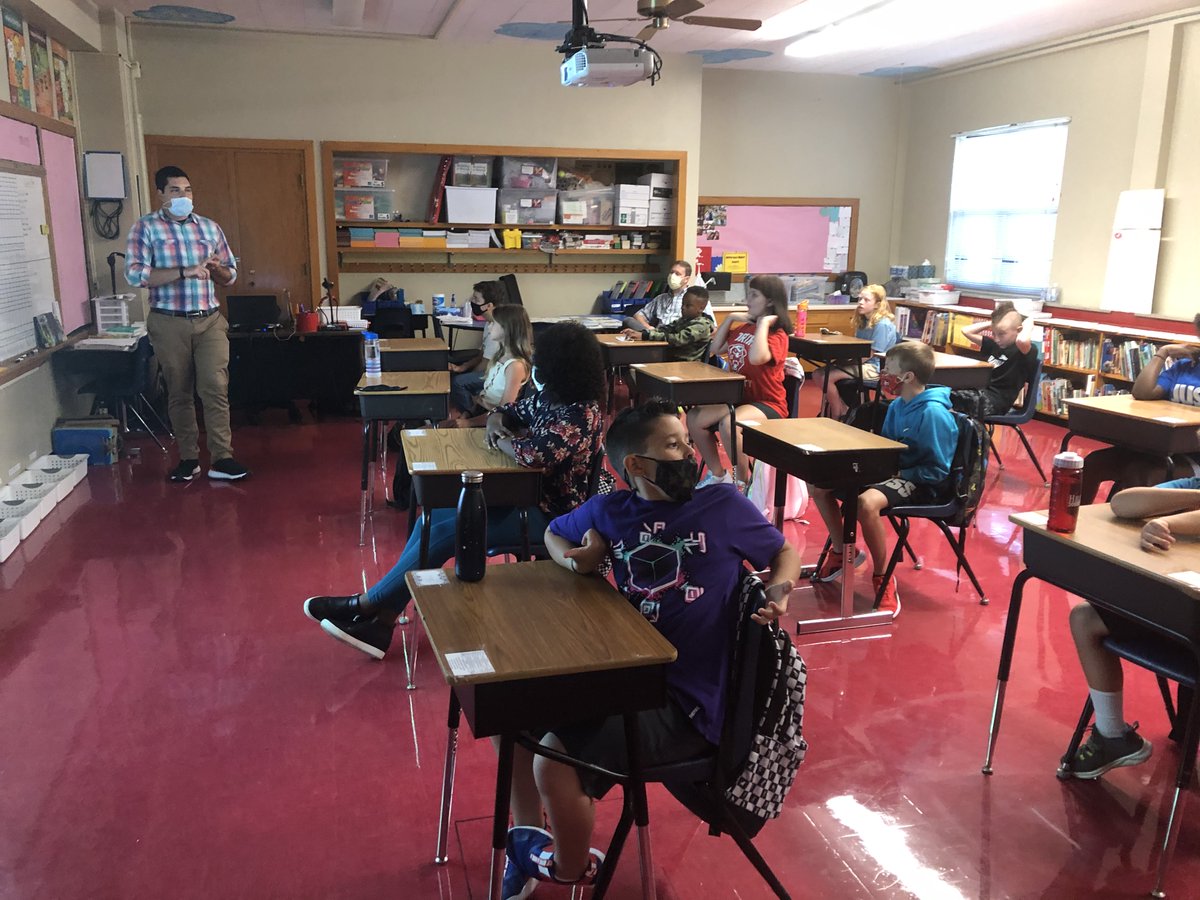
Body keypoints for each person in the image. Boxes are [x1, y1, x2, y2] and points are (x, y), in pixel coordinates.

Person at [499, 401, 802, 895]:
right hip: (628, 674)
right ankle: (529, 830)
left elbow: (783, 551)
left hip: (688, 703)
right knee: (507, 709)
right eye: (673, 445)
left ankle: (570, 868)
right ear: (635, 466)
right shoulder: (610, 511)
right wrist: (579, 561)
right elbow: (557, 532)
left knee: (551, 761)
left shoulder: (722, 506)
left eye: (686, 441)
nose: (689, 453)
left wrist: (780, 589)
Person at [303, 322, 607, 659]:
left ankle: (364, 603)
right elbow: (506, 412)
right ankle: (382, 623)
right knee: (430, 521)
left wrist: (503, 439)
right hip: (520, 498)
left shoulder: (582, 414)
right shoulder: (550, 400)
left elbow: (533, 455)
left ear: (561, 368)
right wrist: (496, 425)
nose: (537, 369)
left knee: (452, 532)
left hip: (554, 518)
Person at [1063, 480, 1200, 777]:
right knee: (1086, 619)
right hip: (1183, 619)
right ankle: (1112, 735)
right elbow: (1123, 504)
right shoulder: (1194, 483)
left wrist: (1166, 521)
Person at [809, 341, 957, 616]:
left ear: (908, 377)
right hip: (892, 472)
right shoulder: (898, 405)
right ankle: (842, 553)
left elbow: (937, 470)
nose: (883, 375)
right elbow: (887, 446)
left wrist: (899, 473)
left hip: (921, 481)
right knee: (820, 486)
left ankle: (883, 577)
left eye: (889, 369)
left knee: (866, 503)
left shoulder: (933, 413)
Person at [125, 165, 247, 483]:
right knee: (178, 391)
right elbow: (135, 274)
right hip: (168, 322)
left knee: (215, 387)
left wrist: (218, 270)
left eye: (188, 190)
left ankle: (222, 458)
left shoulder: (209, 228)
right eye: (176, 190)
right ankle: (189, 458)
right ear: (161, 194)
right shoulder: (145, 229)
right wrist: (184, 271)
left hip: (209, 321)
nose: (183, 196)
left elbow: (230, 275)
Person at [1080, 316, 1200, 503]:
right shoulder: (1185, 367)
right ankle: (1074, 523)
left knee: (1140, 475)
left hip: (1194, 457)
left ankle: (1119, 530)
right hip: (1158, 448)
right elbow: (1142, 392)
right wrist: (1163, 352)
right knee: (1093, 463)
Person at [688, 274, 792, 487]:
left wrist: (763, 324)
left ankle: (743, 482)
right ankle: (718, 474)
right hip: (738, 399)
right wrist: (729, 319)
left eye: (754, 295)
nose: (748, 301)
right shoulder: (743, 328)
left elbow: (756, 358)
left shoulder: (777, 334)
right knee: (694, 417)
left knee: (729, 424)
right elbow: (715, 349)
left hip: (768, 404)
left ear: (771, 301)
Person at [439, 304, 531, 428]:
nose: (489, 327)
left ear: (507, 329)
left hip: (494, 422)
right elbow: (485, 396)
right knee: (434, 428)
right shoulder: (499, 356)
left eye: (494, 323)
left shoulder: (515, 366)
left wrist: (469, 422)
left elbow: (504, 411)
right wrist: (468, 413)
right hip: (480, 412)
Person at [821, 284, 899, 419]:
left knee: (826, 377)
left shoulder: (882, 325)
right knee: (818, 373)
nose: (860, 303)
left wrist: (847, 363)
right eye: (859, 299)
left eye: (866, 300)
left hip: (875, 367)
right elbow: (858, 347)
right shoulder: (863, 322)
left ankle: (836, 413)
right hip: (861, 362)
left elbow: (870, 354)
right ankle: (843, 408)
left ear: (877, 304)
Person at [957, 302, 1040, 418]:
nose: (996, 339)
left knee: (946, 399)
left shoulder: (1023, 351)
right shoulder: (994, 345)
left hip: (996, 403)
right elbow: (966, 331)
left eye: (1001, 334)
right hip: (980, 394)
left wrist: (1028, 323)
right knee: (939, 394)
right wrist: (992, 323)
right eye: (994, 334)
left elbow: (1022, 340)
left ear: (1019, 330)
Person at [449, 280, 506, 414]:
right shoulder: (488, 323)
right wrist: (463, 367)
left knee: (458, 382)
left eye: (476, 299)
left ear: (489, 305)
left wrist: (466, 373)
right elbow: (482, 354)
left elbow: (486, 364)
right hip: (488, 369)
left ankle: (470, 415)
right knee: (458, 375)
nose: (471, 301)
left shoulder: (497, 329)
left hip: (494, 374)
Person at [620, 285, 714, 363]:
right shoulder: (683, 320)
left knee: (637, 363)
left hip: (684, 364)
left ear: (701, 308)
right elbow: (664, 329)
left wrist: (645, 335)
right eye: (682, 304)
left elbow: (677, 339)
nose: (683, 308)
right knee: (633, 361)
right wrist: (642, 333)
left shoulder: (701, 326)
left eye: (688, 306)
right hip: (669, 358)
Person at [627, 259, 715, 329]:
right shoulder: (660, 298)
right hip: (658, 336)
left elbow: (712, 326)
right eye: (671, 272)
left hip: (679, 339)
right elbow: (639, 315)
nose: (673, 276)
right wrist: (648, 328)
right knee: (628, 321)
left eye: (677, 274)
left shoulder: (695, 299)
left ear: (686, 279)